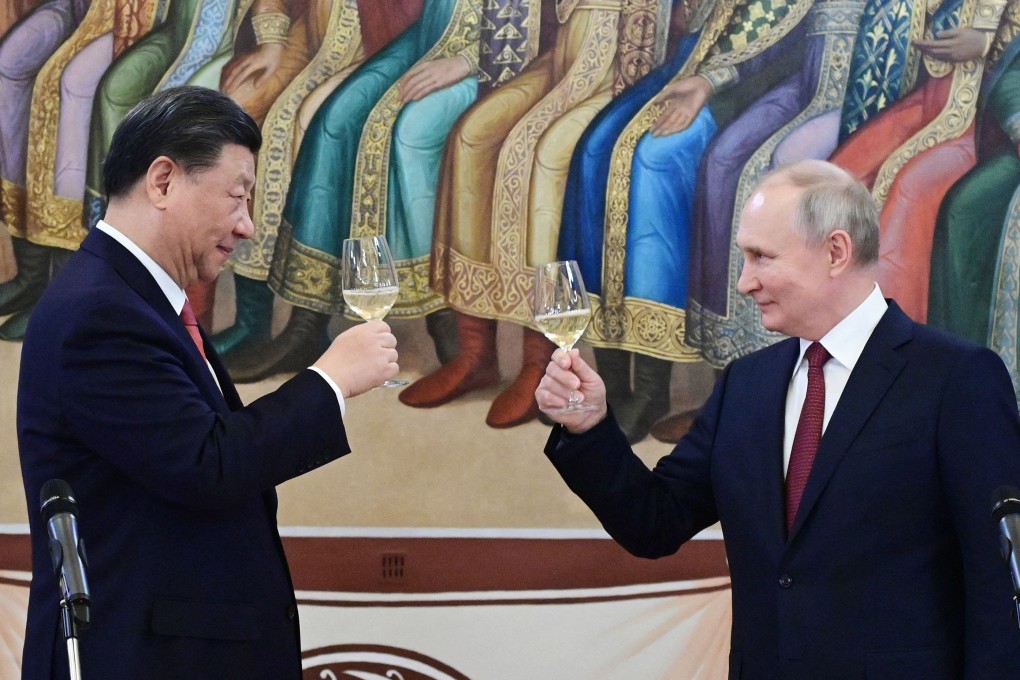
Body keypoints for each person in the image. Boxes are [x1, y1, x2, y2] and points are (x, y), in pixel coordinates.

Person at [536, 159, 1020, 677]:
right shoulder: (747, 385)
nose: (744, 282)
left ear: (836, 252)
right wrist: (589, 427)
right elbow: (655, 522)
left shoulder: (957, 378)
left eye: (760, 257)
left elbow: (999, 581)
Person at [17, 85, 399, 680]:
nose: (247, 227)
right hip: (143, 658)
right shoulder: (99, 312)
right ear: (164, 181)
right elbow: (206, 463)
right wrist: (330, 380)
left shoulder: (133, 300)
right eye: (238, 197)